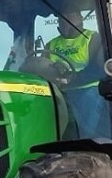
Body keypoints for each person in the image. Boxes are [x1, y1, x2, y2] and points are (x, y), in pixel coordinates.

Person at [45, 9, 107, 137]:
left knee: (90, 99)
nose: (65, 18)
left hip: (88, 88)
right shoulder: (50, 44)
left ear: (80, 17)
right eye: (61, 16)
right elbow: (42, 68)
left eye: (70, 13)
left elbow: (98, 68)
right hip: (60, 92)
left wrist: (74, 77)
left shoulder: (93, 39)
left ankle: (86, 143)